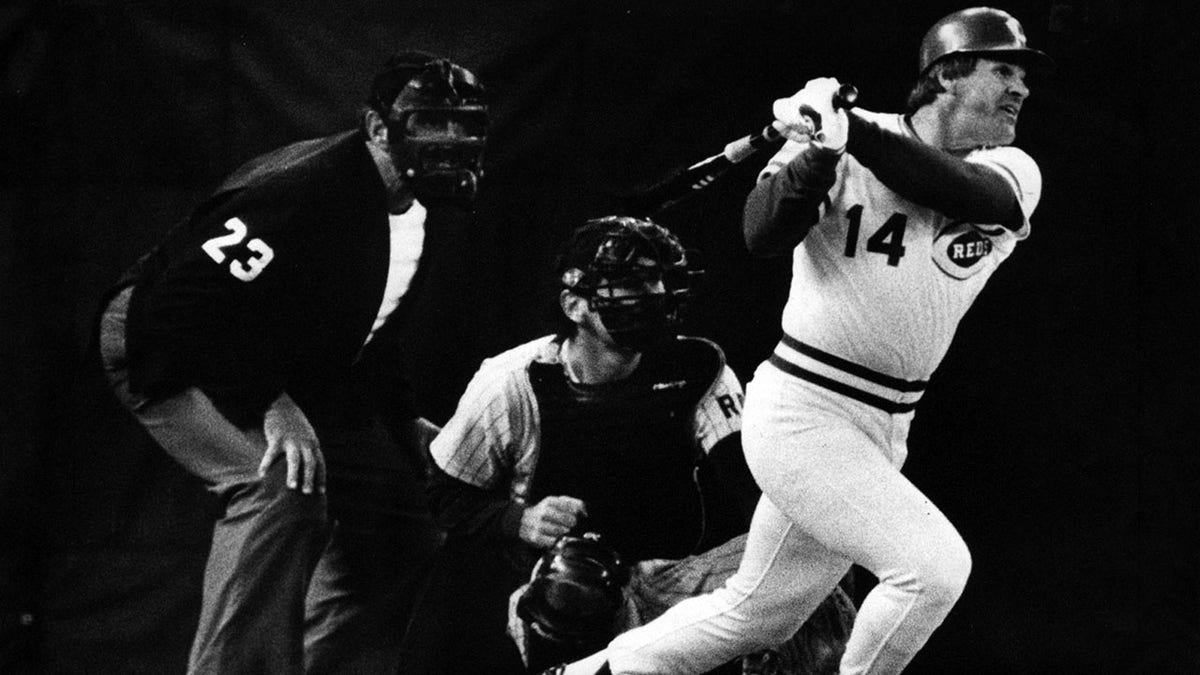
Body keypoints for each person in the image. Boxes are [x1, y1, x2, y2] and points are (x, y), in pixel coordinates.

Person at [555, 7, 1050, 674]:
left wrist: (848, 134)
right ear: (947, 74)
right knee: (932, 570)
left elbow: (951, 186)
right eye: (1004, 69)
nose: (1021, 88)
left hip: (881, 429)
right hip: (802, 411)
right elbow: (761, 232)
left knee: (756, 613)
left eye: (1022, 74)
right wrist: (817, 152)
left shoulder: (1013, 170)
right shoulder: (841, 138)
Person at [95, 50, 488, 674]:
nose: (451, 139)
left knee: (404, 521)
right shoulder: (301, 191)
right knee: (279, 485)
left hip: (279, 362)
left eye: (463, 123)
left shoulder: (422, 209)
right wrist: (268, 404)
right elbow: (180, 306)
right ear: (377, 128)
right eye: (429, 122)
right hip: (165, 344)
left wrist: (403, 421)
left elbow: (369, 332)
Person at [407, 216, 854, 675]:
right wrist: (518, 519)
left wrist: (798, 567)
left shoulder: (698, 370)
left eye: (660, 278)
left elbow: (749, 480)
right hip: (555, 582)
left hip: (671, 574)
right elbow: (445, 495)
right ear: (575, 304)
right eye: (633, 282)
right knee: (576, 586)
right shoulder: (511, 385)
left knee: (811, 575)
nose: (654, 293)